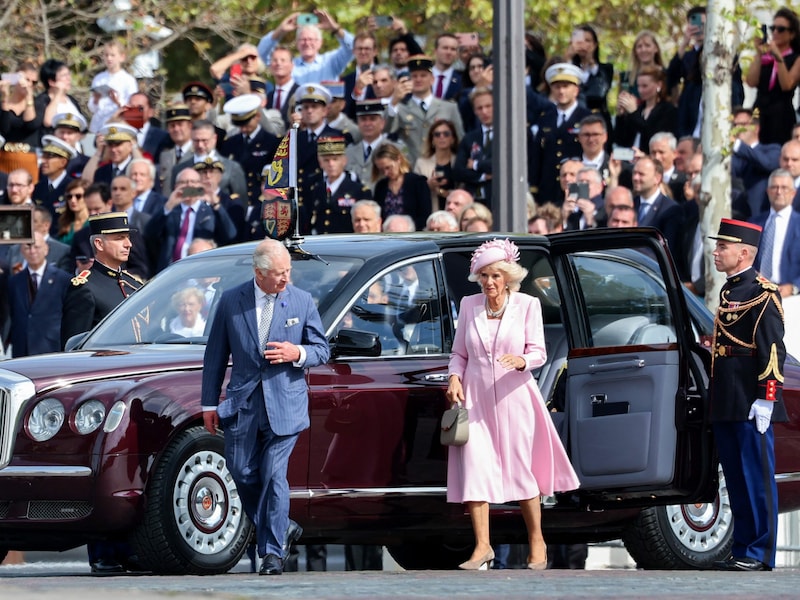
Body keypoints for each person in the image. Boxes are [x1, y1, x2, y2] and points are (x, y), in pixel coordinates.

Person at [446, 238, 580, 570]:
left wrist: (522, 360)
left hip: (514, 396)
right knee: (475, 466)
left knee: (521, 468)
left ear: (508, 276)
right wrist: (454, 378)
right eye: (483, 277)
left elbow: (539, 351)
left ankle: (537, 541)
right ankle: (482, 546)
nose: (489, 283)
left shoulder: (527, 305)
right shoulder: (469, 305)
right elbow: (459, 354)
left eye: (495, 276)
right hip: (476, 398)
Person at [201, 239, 329, 576]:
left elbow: (321, 349)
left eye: (288, 270)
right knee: (240, 470)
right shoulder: (231, 301)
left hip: (285, 403)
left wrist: (296, 353)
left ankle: (272, 552)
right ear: (259, 273)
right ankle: (282, 525)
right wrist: (208, 403)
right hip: (243, 403)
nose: (286, 278)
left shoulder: (301, 300)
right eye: (278, 273)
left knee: (274, 474)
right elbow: (214, 356)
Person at [708, 218, 788, 572]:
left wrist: (767, 397)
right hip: (727, 397)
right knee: (736, 479)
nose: (716, 252)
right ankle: (743, 548)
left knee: (756, 478)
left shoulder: (763, 293)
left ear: (743, 253)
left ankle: (760, 552)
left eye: (723, 247)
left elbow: (772, 350)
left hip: (750, 400)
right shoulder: (729, 291)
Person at [7, 232, 71, 357]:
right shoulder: (14, 281)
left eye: (36, 247)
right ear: (22, 251)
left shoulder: (63, 279)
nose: (32, 251)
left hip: (52, 347)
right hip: (21, 348)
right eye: (27, 247)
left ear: (46, 249)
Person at [746, 8, 800, 146]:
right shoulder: (765, 57)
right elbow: (751, 81)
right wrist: (758, 53)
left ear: (791, 34)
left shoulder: (795, 58)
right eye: (773, 28)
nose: (775, 32)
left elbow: (787, 85)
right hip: (760, 111)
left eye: (781, 29)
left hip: (781, 114)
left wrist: (779, 58)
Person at [257, 10, 354, 85]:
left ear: (320, 42)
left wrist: (335, 28)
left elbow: (354, 48)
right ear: (297, 43)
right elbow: (262, 53)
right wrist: (280, 31)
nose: (307, 43)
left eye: (311, 39)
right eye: (303, 39)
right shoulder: (289, 65)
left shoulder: (331, 61)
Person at [749, 169, 800, 296]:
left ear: (793, 193)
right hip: (757, 293)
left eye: (784, 188)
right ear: (767, 191)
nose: (779, 192)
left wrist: (794, 287)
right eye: (774, 187)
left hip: (791, 297)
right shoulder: (754, 223)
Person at [614, 66, 677, 153]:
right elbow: (621, 140)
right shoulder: (639, 109)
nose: (640, 90)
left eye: (645, 86)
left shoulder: (667, 110)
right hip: (630, 157)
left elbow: (653, 135)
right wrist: (621, 116)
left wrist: (633, 113)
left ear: (659, 85)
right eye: (638, 86)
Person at [372, 142, 431, 231]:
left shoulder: (417, 182)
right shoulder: (381, 186)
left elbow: (425, 214)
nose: (385, 173)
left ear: (398, 160)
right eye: (381, 170)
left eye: (389, 167)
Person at [453, 87, 494, 208]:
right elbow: (458, 171)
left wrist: (476, 164)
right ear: (475, 111)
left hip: (498, 200)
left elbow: (500, 165)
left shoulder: (507, 135)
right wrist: (483, 176)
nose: (484, 112)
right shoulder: (470, 138)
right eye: (479, 108)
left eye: (488, 106)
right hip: (474, 200)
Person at [86, 40, 139, 133]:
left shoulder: (128, 80)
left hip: (118, 125)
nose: (109, 58)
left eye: (112, 55)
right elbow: (92, 108)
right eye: (106, 55)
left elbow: (133, 108)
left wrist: (118, 102)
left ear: (122, 57)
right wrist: (96, 100)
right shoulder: (98, 78)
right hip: (99, 125)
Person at [413, 118, 459, 212]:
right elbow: (414, 192)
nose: (442, 137)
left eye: (446, 134)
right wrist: (427, 185)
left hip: (456, 212)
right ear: (432, 140)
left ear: (453, 139)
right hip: (431, 213)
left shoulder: (459, 161)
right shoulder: (421, 163)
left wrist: (444, 193)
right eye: (437, 135)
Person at [619, 30, 665, 96]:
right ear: (635, 51)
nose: (643, 50)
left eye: (647, 45)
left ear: (656, 48)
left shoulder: (666, 75)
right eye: (639, 46)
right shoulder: (626, 78)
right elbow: (621, 104)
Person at [56, 178, 90, 245]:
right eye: (69, 196)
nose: (73, 200)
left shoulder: (92, 223)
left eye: (78, 196)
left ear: (88, 197)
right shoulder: (64, 222)